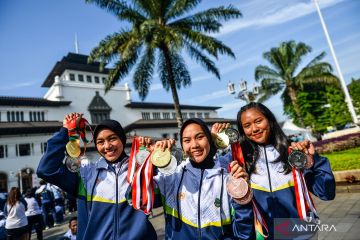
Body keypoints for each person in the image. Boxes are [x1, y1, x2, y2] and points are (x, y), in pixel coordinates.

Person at [37, 112, 157, 239]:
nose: (107, 146)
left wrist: (155, 158)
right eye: (100, 141)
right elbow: (46, 169)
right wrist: (65, 131)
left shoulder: (140, 170)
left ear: (122, 138)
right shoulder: (86, 175)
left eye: (112, 138)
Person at [235, 102, 335, 239]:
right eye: (247, 126)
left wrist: (313, 160)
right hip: (266, 235)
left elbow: (326, 193)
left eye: (258, 121)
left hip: (300, 233)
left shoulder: (293, 153)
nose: (254, 129)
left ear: (269, 120)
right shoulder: (242, 161)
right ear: (243, 131)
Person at [147, 118, 254, 239]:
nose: (194, 145)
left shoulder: (228, 178)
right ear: (182, 146)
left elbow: (243, 233)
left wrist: (243, 195)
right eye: (187, 140)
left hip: (279, 225)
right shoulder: (171, 177)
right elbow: (140, 200)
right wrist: (149, 162)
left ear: (209, 139)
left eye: (199, 137)